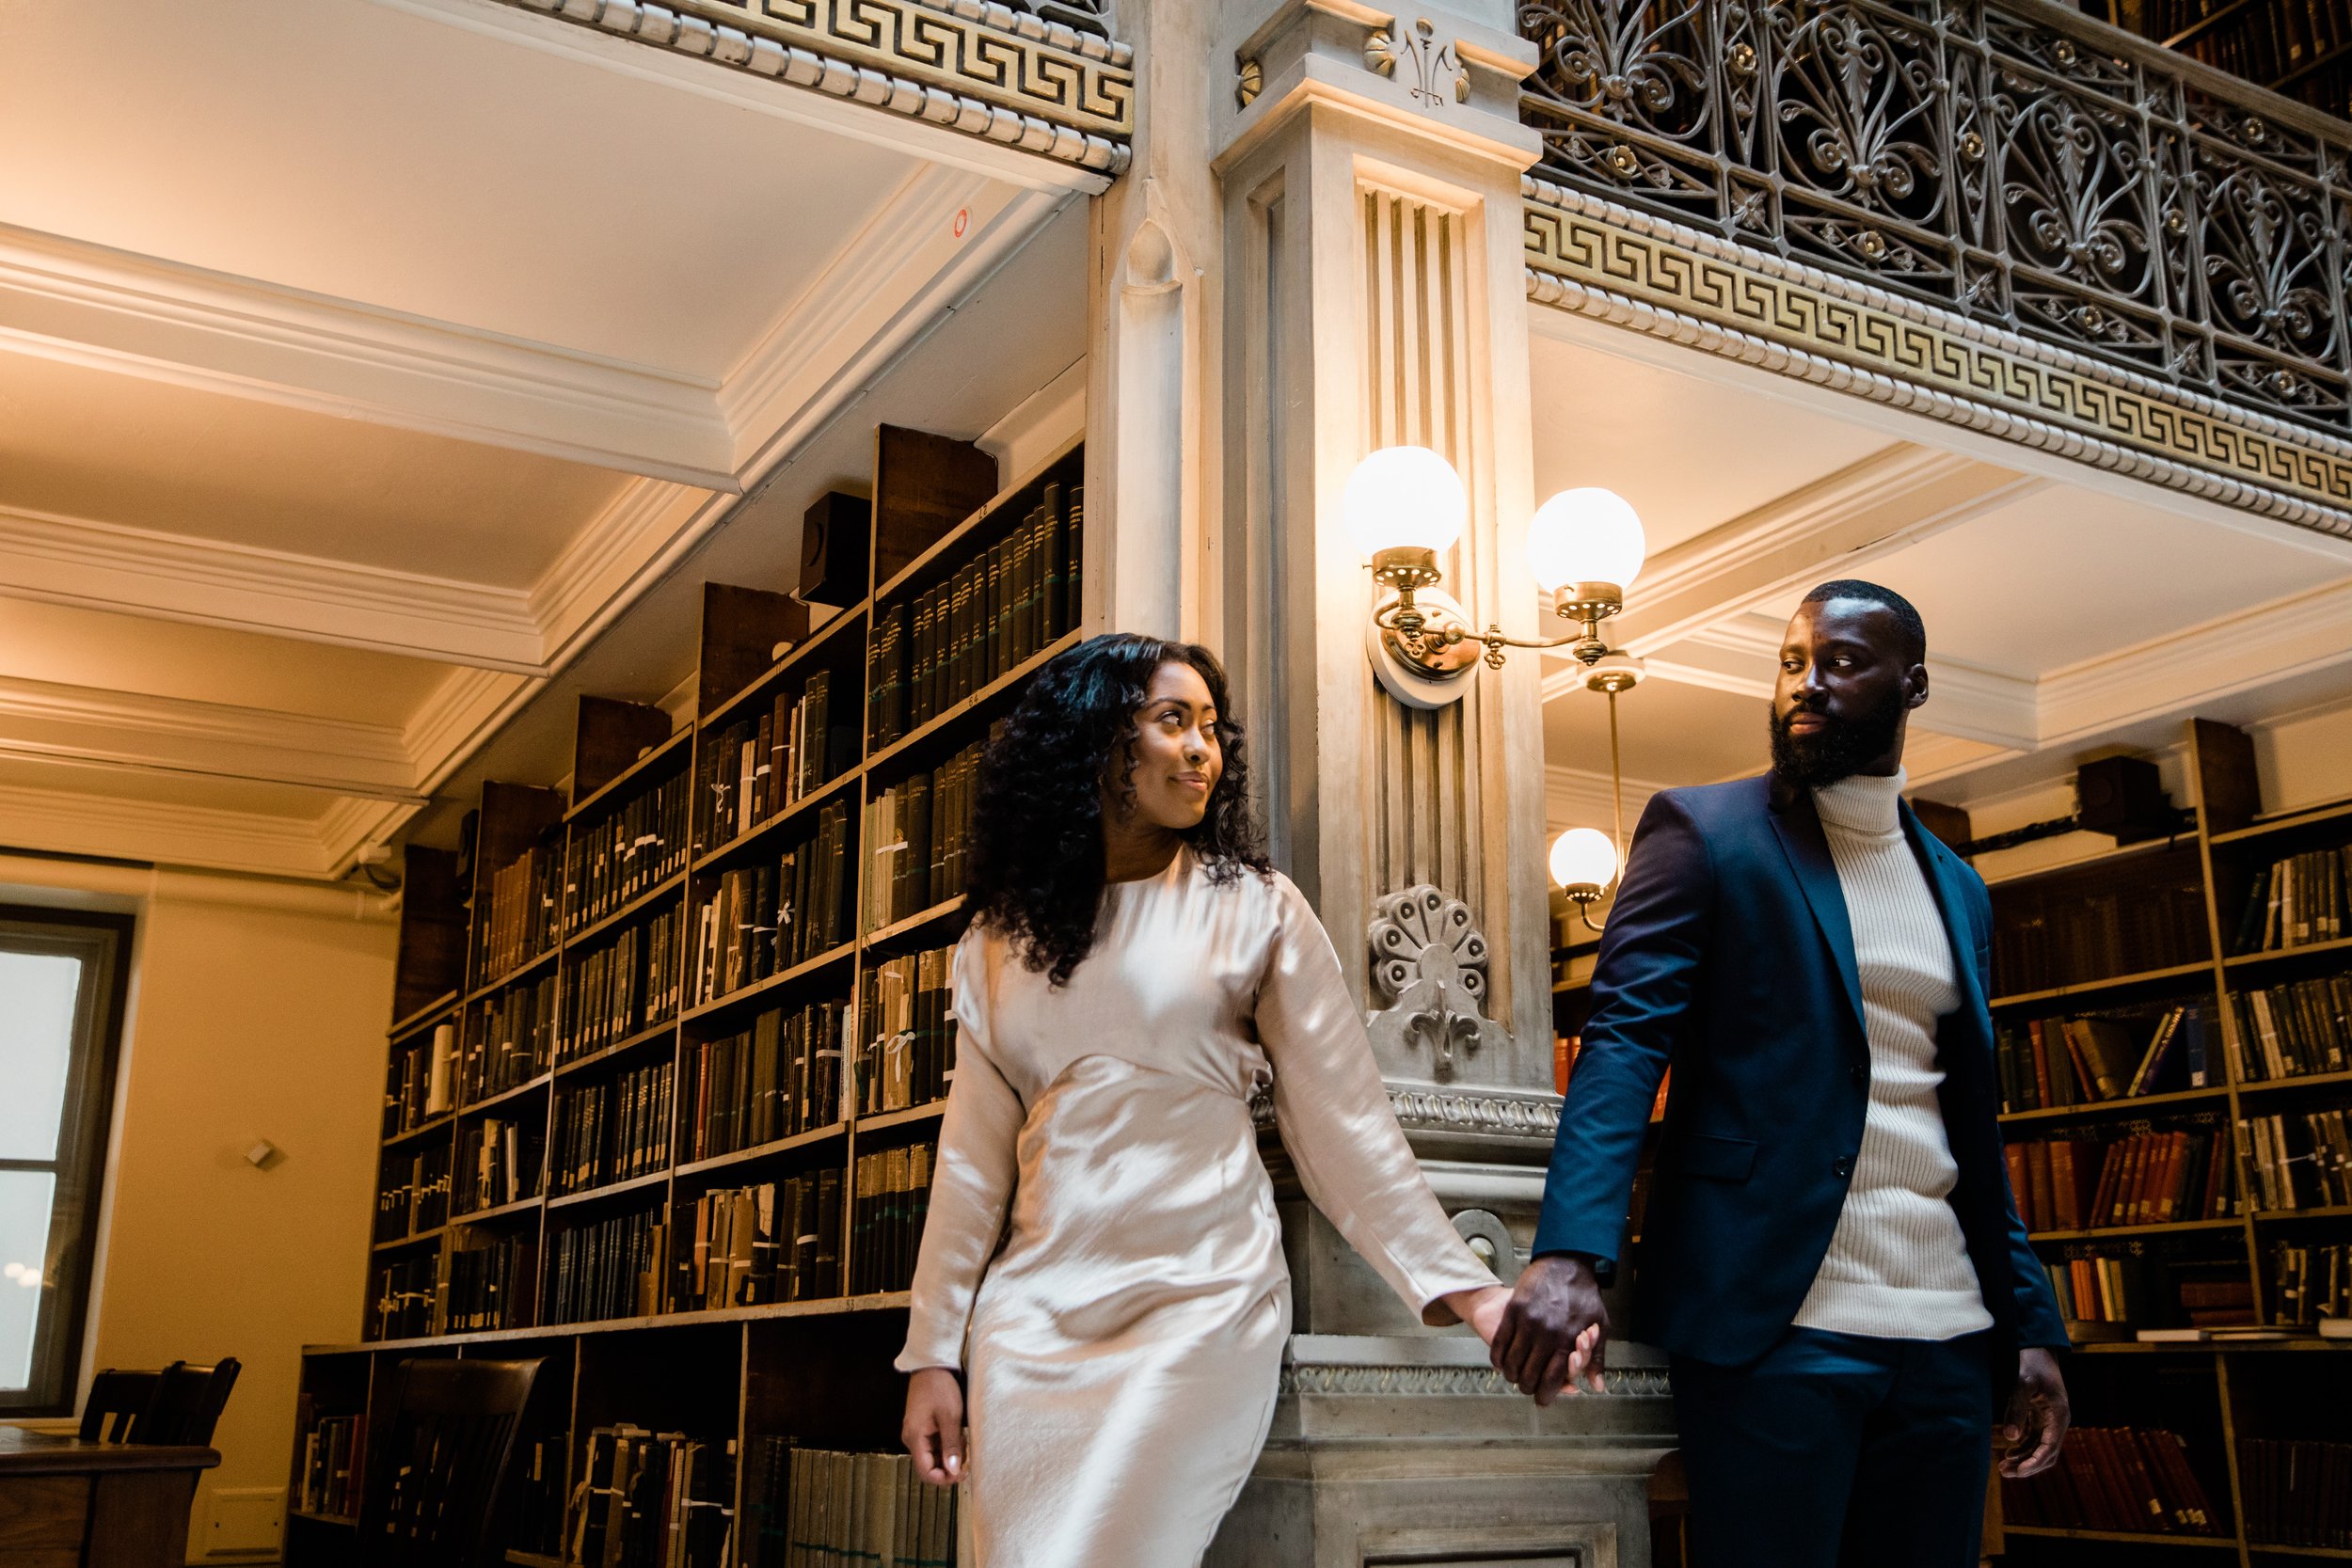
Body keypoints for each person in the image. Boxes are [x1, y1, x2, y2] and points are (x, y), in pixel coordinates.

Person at [895, 632, 1515, 1567]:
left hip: (1199, 1304)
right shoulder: (996, 937)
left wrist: (1474, 1294)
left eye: (1211, 728)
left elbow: (1342, 1122)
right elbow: (971, 1162)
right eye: (1171, 720)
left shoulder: (1256, 907)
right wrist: (931, 1353)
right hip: (1031, 1327)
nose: (1201, 749)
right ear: (1097, 743)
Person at [1491, 581, 2071, 1567]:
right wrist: (1570, 1249)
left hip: (1943, 1332)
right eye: (1792, 660)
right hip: (1776, 1325)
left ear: (1912, 685)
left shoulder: (1961, 889)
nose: (1805, 683)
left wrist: (2030, 1322)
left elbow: (1968, 1126)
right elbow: (1626, 1038)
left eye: (1842, 662)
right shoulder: (1704, 832)